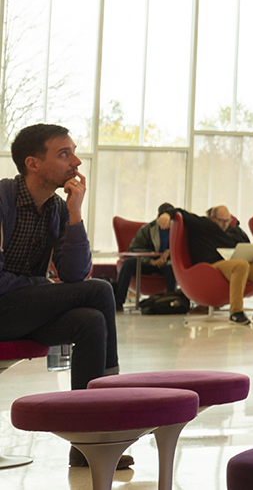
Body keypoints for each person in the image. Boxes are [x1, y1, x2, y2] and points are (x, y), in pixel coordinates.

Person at [0, 123, 134, 470]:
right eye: (64, 154)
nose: (76, 161)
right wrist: (41, 287)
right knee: (101, 290)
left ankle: (85, 443)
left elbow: (75, 275)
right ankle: (110, 413)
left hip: (24, 311)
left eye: (73, 152)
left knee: (89, 322)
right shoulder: (2, 198)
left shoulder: (58, 210)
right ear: (33, 163)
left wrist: (75, 213)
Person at [175, 205, 253, 324]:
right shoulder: (203, 224)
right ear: (212, 218)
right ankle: (236, 312)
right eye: (221, 221)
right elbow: (177, 211)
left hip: (238, 262)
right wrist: (165, 214)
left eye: (227, 221)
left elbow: (245, 245)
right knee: (241, 265)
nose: (224, 224)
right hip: (213, 265)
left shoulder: (234, 230)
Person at [113, 203, 177, 308]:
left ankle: (171, 301)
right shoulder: (147, 229)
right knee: (128, 263)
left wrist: (168, 253)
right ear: (157, 218)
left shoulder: (177, 229)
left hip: (167, 264)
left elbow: (182, 248)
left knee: (172, 267)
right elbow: (133, 249)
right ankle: (118, 301)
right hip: (147, 263)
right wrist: (151, 261)